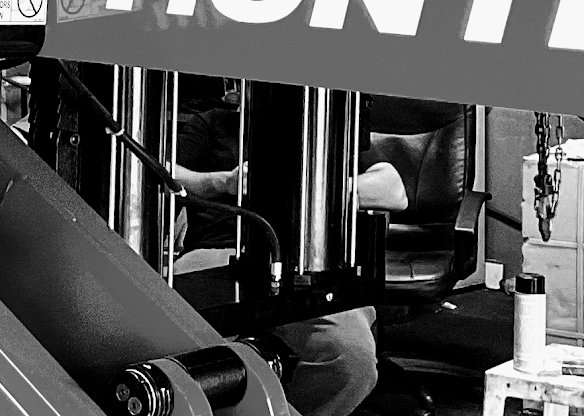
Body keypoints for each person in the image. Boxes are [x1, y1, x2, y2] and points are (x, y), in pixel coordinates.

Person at [173, 102, 408, 416]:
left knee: (352, 360)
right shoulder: (212, 124)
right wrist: (223, 182)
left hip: (309, 265)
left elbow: (393, 190)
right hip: (219, 254)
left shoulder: (322, 129)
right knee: (180, 343)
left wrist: (314, 185)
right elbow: (165, 171)